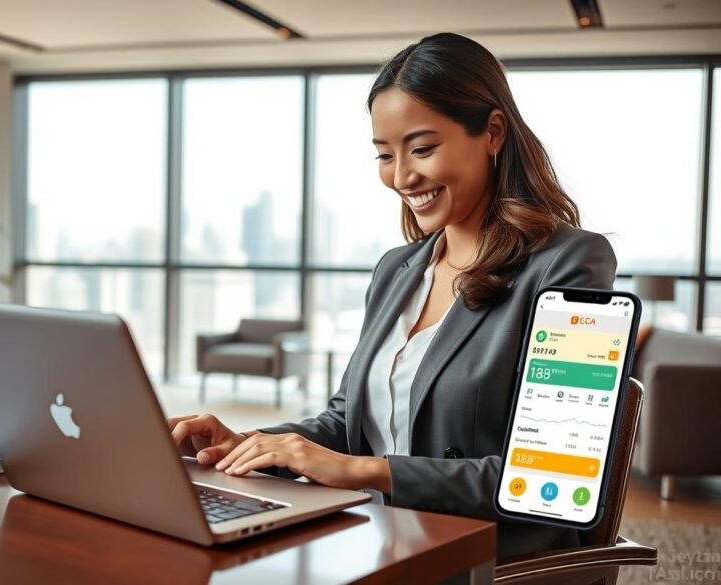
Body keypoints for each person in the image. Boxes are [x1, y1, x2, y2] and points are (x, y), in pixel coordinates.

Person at [169, 32, 617, 561]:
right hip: (376, 538)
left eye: (422, 148)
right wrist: (249, 443)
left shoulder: (572, 264)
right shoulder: (397, 270)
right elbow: (345, 423)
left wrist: (361, 470)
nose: (402, 176)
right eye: (385, 154)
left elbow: (552, 478)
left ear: (492, 132)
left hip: (481, 556)